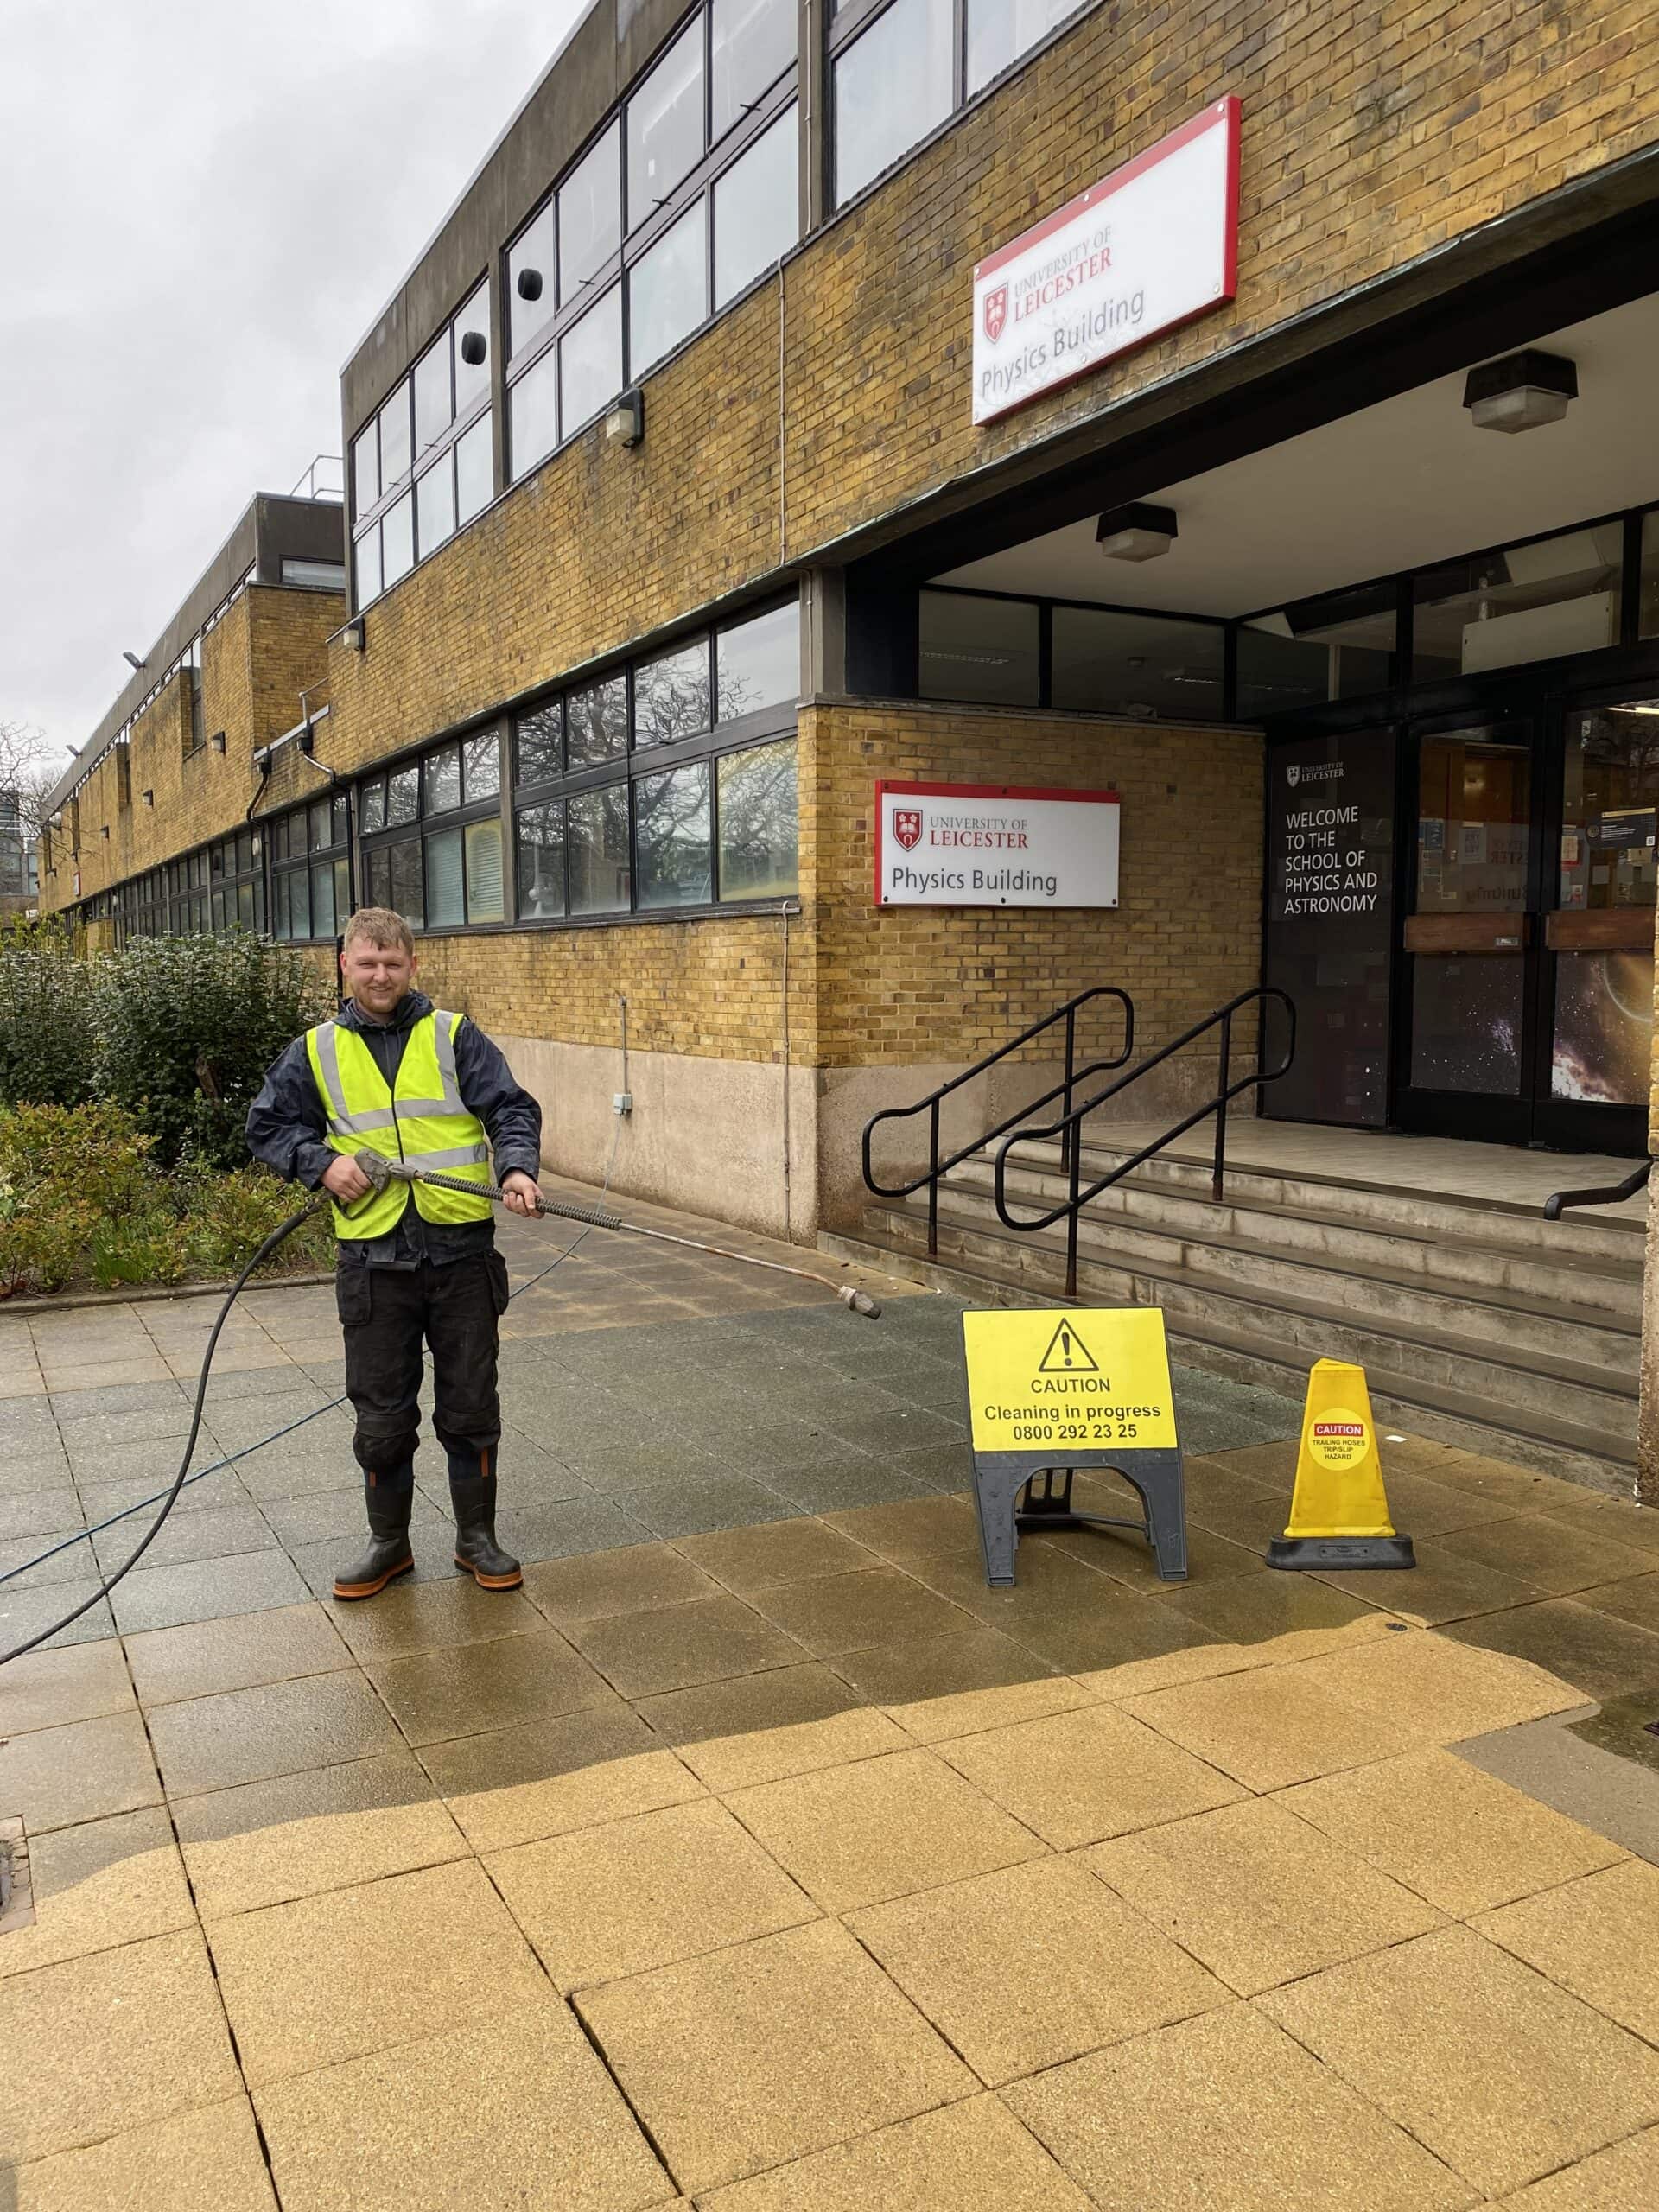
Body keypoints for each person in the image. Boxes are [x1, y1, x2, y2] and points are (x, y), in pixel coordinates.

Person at [246, 906, 543, 1600]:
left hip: (461, 1255)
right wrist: (320, 1163)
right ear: (345, 967)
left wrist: (518, 1168)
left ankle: (477, 1538)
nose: (381, 975)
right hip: (375, 1264)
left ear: (412, 966)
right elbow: (268, 1125)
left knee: (471, 1407)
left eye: (393, 963)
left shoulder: (453, 1036)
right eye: (367, 963)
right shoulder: (315, 1050)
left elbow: (510, 1108)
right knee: (382, 1416)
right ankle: (390, 1544)